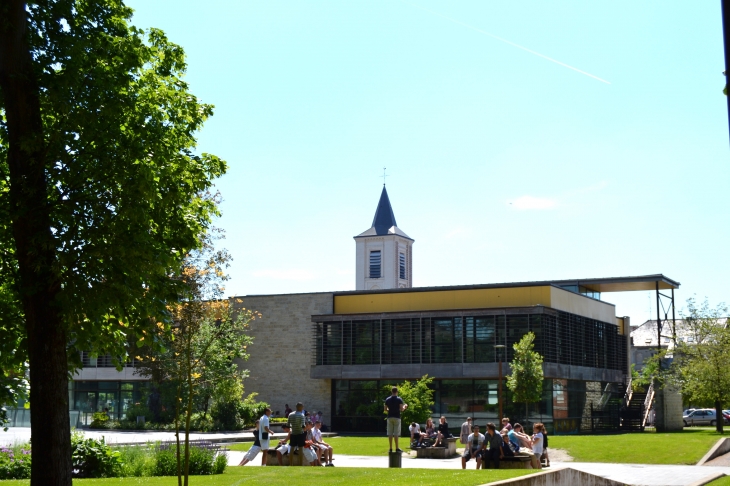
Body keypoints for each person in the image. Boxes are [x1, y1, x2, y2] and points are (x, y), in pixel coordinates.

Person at [383, 386, 408, 453]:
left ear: (391, 391)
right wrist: (405, 406)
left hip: (390, 417)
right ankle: (397, 448)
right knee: (396, 433)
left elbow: (385, 409)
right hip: (397, 417)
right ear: (396, 392)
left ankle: (390, 448)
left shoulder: (387, 399)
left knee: (390, 433)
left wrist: (390, 409)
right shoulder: (399, 399)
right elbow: (401, 409)